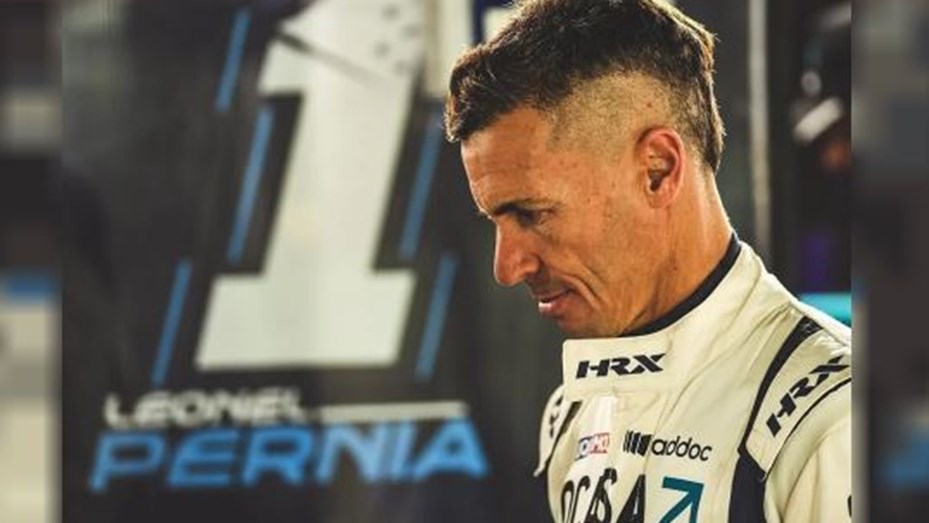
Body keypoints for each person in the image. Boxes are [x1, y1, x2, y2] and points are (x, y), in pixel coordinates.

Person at [444, 0, 851, 521]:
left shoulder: (834, 424)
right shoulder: (576, 409)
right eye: (495, 220)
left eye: (532, 213)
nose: (507, 267)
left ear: (657, 169)